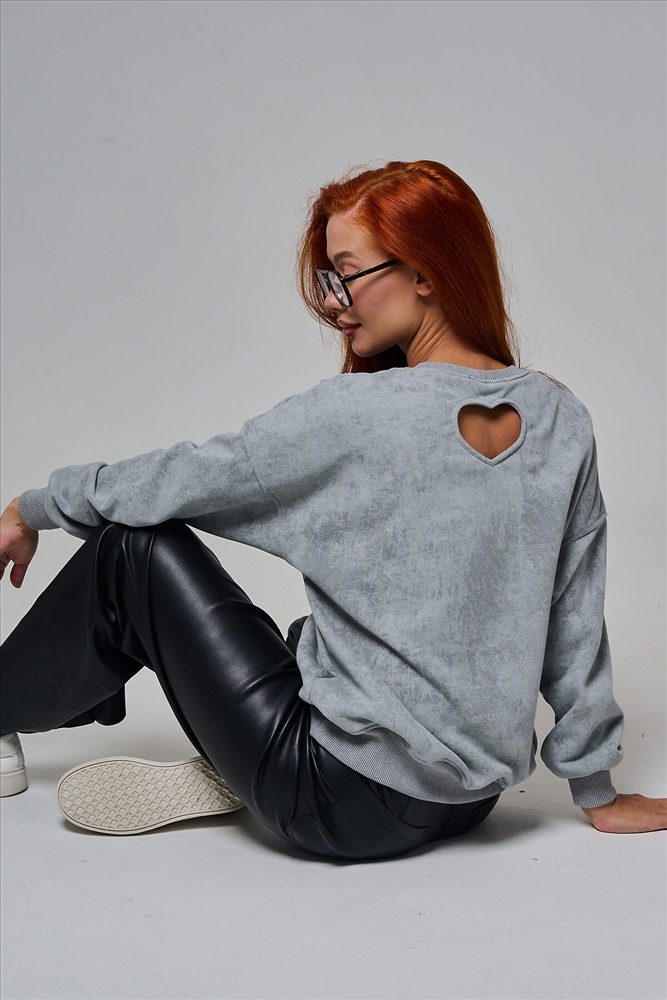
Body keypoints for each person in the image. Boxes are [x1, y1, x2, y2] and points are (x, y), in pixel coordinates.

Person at [1, 160, 665, 860]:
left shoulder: (357, 414)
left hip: (332, 801)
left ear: (425, 273)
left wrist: (31, 507)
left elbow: (176, 480)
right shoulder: (561, 417)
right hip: (469, 803)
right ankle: (237, 759)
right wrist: (597, 790)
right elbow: (574, 618)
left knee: (132, 553)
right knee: (311, 638)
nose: (329, 300)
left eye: (344, 274)